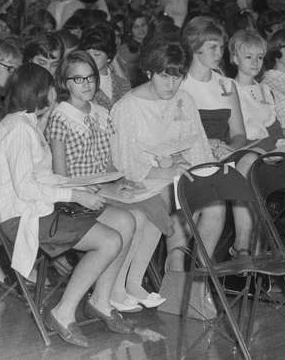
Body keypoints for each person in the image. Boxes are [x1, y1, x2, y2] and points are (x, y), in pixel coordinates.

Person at [0, 64, 134, 347]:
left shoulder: (26, 123)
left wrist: (76, 187)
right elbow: (26, 188)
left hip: (39, 207)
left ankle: (101, 301)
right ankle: (62, 312)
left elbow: (39, 176)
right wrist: (75, 196)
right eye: (52, 86)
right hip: (23, 217)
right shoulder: (18, 128)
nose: (56, 92)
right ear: (42, 92)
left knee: (125, 221)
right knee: (109, 241)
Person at [47, 51, 167, 311]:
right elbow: (61, 175)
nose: (87, 84)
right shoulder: (61, 117)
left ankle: (124, 283)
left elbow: (111, 162)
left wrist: (121, 180)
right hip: (78, 194)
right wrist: (106, 187)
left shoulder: (101, 112)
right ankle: (112, 291)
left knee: (153, 206)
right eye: (78, 79)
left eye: (90, 77)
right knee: (135, 216)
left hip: (105, 186)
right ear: (65, 83)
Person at [109, 40, 219, 281]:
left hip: (181, 175)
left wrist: (201, 171)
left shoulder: (184, 100)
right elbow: (125, 164)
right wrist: (169, 174)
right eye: (164, 77)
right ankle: (176, 273)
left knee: (216, 204)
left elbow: (198, 145)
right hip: (146, 182)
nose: (171, 85)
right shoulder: (127, 107)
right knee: (176, 197)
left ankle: (201, 277)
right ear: (149, 73)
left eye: (177, 77)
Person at [179, 16, 247, 157]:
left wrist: (229, 149)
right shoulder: (177, 85)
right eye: (213, 47)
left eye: (221, 47)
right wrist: (203, 144)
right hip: (190, 158)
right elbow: (171, 135)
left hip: (224, 156)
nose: (219, 54)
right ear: (194, 46)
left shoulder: (227, 85)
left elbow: (239, 134)